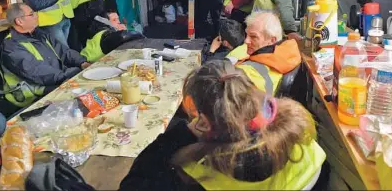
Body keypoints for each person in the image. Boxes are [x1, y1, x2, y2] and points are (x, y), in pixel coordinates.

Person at [120, 60, 326, 190]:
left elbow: (132, 184)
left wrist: (182, 132)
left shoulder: (197, 176)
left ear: (205, 123)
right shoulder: (304, 142)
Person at [0, 3, 90, 112]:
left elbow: (64, 51)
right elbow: (36, 71)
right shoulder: (11, 46)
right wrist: (68, 75)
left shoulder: (39, 33)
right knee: (83, 100)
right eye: (31, 14)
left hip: (57, 79)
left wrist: (82, 62)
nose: (37, 15)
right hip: (35, 93)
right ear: (19, 21)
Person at [236, 12, 301, 96]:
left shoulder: (246, 73)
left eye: (253, 37)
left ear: (272, 40)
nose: (246, 41)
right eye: (246, 35)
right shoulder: (285, 57)